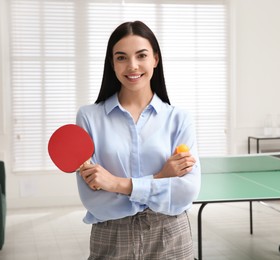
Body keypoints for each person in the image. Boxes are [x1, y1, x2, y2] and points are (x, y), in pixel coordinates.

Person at [76, 20, 201, 260]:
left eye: (141, 55)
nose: (132, 66)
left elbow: (187, 191)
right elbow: (94, 201)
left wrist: (114, 184)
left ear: (155, 59)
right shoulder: (88, 117)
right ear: (112, 64)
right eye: (121, 57)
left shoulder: (179, 119)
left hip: (171, 234)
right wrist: (161, 179)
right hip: (111, 236)